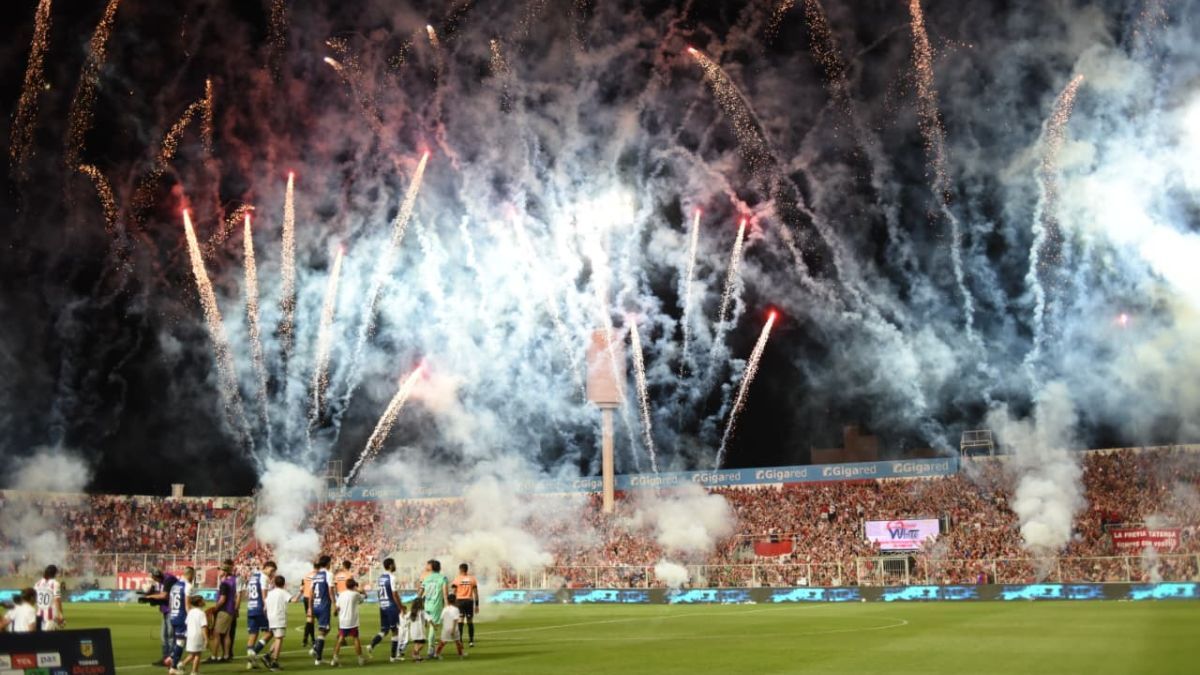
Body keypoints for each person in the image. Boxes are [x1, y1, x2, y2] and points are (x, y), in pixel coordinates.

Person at [367, 558, 405, 663]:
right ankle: (393, 657)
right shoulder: (392, 577)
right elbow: (394, 594)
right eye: (394, 563)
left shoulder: (380, 578)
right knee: (395, 631)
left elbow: (379, 593)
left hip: (382, 606)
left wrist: (382, 603)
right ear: (391, 565)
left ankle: (371, 645)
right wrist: (401, 606)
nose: (395, 565)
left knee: (384, 630)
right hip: (391, 606)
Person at [141, 569, 179, 666]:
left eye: (154, 578)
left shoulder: (169, 579)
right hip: (166, 610)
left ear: (157, 576)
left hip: (172, 610)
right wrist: (152, 597)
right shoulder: (163, 581)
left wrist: (149, 597)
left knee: (170, 636)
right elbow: (161, 595)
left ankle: (171, 658)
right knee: (164, 636)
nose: (155, 580)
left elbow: (165, 596)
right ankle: (165, 658)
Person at [245, 560, 278, 669]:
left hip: (251, 607)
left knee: (253, 634)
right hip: (260, 609)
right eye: (272, 570)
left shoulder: (253, 576)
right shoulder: (264, 578)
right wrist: (267, 607)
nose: (271, 573)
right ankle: (254, 652)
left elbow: (248, 593)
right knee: (271, 632)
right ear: (267, 567)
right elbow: (264, 595)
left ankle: (250, 663)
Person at [418, 560, 449, 660]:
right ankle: (430, 650)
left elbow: (420, 593)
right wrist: (447, 606)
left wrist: (418, 603)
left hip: (427, 605)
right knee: (433, 627)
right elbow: (445, 594)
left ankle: (421, 648)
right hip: (436, 606)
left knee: (427, 626)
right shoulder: (443, 578)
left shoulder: (426, 578)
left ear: (431, 567)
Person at [330, 578, 365, 667]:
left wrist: (335, 612)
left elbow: (337, 608)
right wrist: (362, 591)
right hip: (352, 621)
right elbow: (364, 597)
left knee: (341, 638)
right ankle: (360, 658)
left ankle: (334, 658)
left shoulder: (341, 594)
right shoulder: (355, 594)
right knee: (356, 638)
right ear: (354, 586)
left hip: (343, 621)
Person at [167, 568, 196, 671]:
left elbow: (170, 604)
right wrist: (192, 618)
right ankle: (173, 667)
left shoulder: (174, 586)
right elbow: (187, 606)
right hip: (181, 617)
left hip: (173, 616)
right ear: (191, 575)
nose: (193, 578)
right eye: (193, 575)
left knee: (178, 641)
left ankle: (171, 658)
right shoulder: (188, 586)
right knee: (181, 643)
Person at [209, 561, 237, 663]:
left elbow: (222, 599)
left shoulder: (224, 584)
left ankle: (213, 657)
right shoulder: (232, 581)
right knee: (227, 634)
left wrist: (215, 608)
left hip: (224, 610)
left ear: (225, 572)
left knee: (216, 634)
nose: (219, 572)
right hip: (230, 610)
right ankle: (226, 656)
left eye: (220, 570)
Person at [309, 555, 334, 666]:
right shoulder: (328, 575)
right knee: (323, 630)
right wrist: (335, 604)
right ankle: (318, 657)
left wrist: (310, 607)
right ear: (328, 563)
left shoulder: (315, 576)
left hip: (315, 605)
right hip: (324, 606)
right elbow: (330, 591)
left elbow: (311, 593)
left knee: (326, 629)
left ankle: (316, 649)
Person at [176, 596, 208, 675]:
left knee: (192, 654)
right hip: (197, 635)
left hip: (189, 635)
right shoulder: (201, 613)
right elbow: (203, 626)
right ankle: (194, 672)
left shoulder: (190, 612)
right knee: (197, 654)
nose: (204, 601)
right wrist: (206, 638)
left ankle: (181, 664)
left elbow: (187, 623)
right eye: (202, 600)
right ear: (199, 602)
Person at [264, 575, 290, 672]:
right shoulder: (283, 592)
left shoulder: (270, 593)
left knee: (278, 638)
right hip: (279, 617)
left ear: (275, 583)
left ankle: (267, 656)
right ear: (284, 583)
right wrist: (300, 592)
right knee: (279, 639)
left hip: (271, 618)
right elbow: (294, 600)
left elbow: (265, 606)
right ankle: (274, 662)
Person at [451, 563, 479, 647]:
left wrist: (452, 603)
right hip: (469, 601)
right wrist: (477, 605)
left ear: (460, 569)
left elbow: (453, 592)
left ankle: (460, 641)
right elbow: (476, 593)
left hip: (459, 601)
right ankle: (471, 641)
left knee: (460, 621)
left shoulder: (457, 579)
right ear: (467, 569)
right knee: (470, 621)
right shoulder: (472, 579)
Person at [34, 564, 64, 631]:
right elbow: (57, 599)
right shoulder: (55, 583)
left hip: (39, 615)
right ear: (55, 573)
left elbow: (35, 598)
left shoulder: (38, 583)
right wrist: (60, 614)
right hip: (51, 616)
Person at [435, 595, 464, 660]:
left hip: (445, 628)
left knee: (442, 642)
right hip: (453, 629)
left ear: (448, 601)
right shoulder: (456, 609)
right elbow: (455, 620)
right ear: (455, 600)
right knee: (458, 642)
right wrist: (453, 630)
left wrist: (437, 625)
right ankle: (461, 655)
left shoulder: (445, 609)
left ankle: (437, 654)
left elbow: (441, 618)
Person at [298, 563, 316, 649]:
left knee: (310, 619)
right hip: (312, 598)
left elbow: (301, 587)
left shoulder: (306, 575)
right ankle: (306, 639)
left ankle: (312, 639)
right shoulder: (317, 576)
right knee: (310, 620)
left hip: (305, 597)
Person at [405, 597, 427, 663]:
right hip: (419, 631)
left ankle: (417, 657)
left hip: (414, 631)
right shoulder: (421, 611)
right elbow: (428, 617)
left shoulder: (412, 611)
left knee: (417, 644)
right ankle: (414, 654)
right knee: (421, 644)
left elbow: (406, 617)